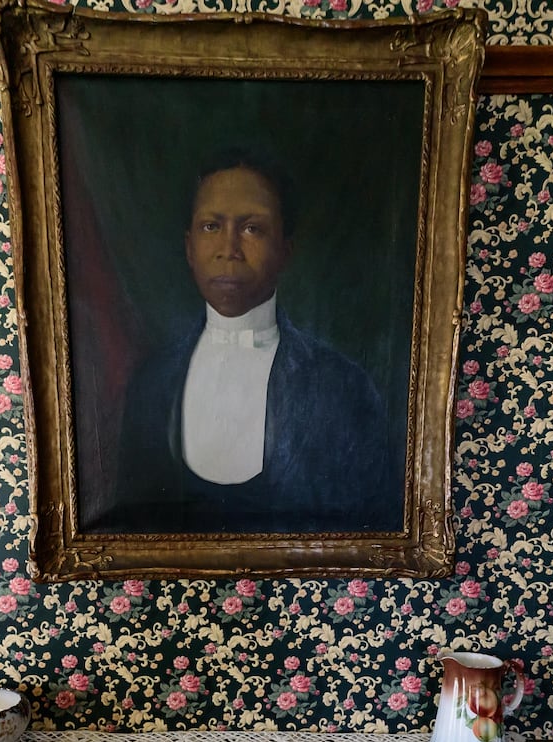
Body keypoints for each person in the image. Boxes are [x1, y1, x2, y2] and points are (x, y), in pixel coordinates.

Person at [91, 149, 401, 535]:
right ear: (189, 247)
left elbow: (374, 535)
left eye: (252, 228)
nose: (229, 249)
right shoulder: (151, 384)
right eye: (211, 227)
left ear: (285, 250)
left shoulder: (343, 387)